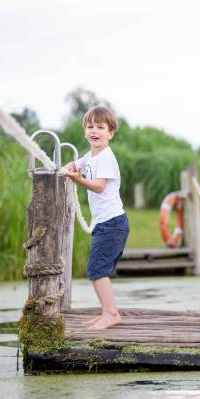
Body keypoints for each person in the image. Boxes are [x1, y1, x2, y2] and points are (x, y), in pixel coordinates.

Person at [63, 105, 129, 330]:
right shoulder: (91, 155)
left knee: (96, 269)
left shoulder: (106, 158)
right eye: (90, 126)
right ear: (85, 131)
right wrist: (65, 169)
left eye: (100, 127)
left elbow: (100, 187)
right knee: (96, 269)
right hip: (105, 224)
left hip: (112, 224)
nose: (94, 131)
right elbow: (74, 165)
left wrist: (77, 180)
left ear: (110, 133)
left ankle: (111, 314)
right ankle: (106, 312)